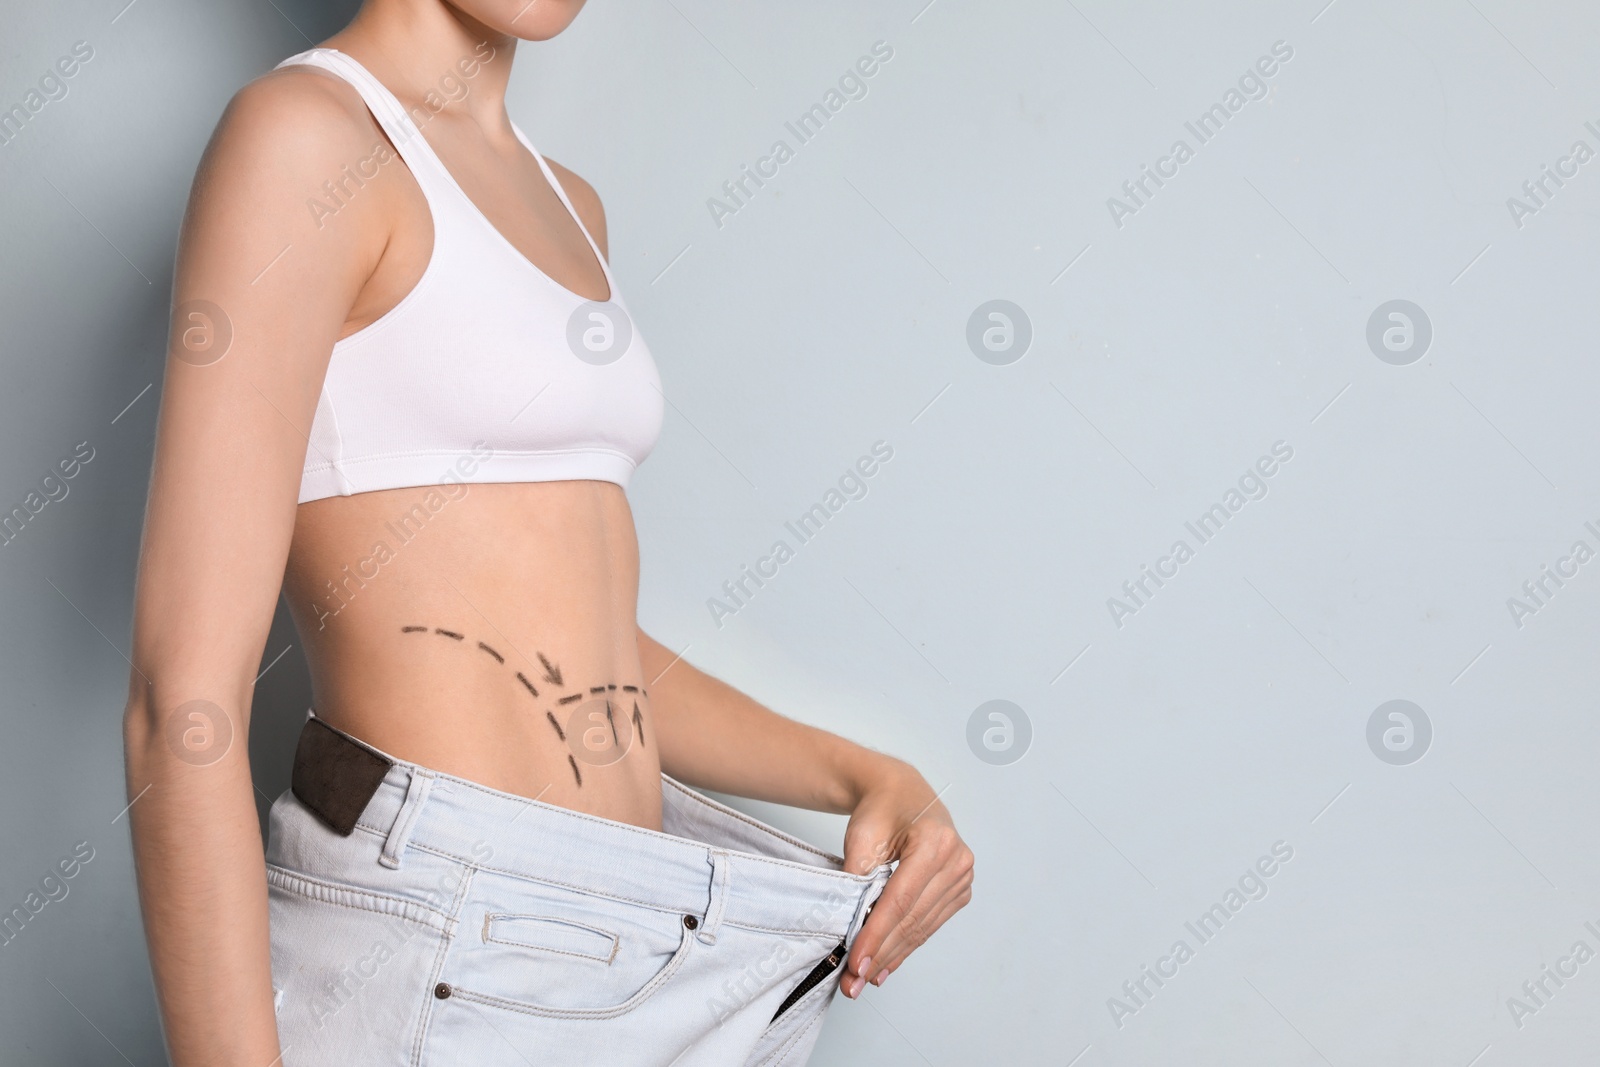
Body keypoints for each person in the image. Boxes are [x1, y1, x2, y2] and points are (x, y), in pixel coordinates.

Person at [121, 1, 973, 1063]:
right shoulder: (305, 140)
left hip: (653, 939)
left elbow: (590, 654)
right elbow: (181, 702)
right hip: (452, 940)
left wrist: (860, 773)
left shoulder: (569, 204)